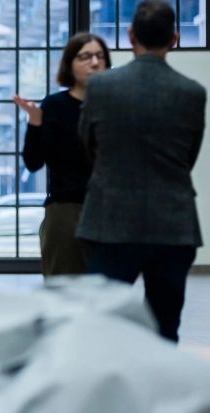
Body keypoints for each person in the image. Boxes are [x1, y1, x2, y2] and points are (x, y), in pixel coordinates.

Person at [77, 0, 206, 342]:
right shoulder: (192, 93)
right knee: (165, 329)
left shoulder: (102, 87)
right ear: (175, 39)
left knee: (100, 325)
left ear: (131, 35)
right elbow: (188, 157)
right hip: (173, 222)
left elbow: (87, 143)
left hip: (111, 221)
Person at [13, 33, 111, 276]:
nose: (95, 62)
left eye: (100, 56)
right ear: (70, 64)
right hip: (66, 210)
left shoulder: (116, 104)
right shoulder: (55, 105)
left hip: (110, 208)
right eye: (85, 57)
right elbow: (33, 162)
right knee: (64, 291)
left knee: (108, 296)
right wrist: (35, 123)